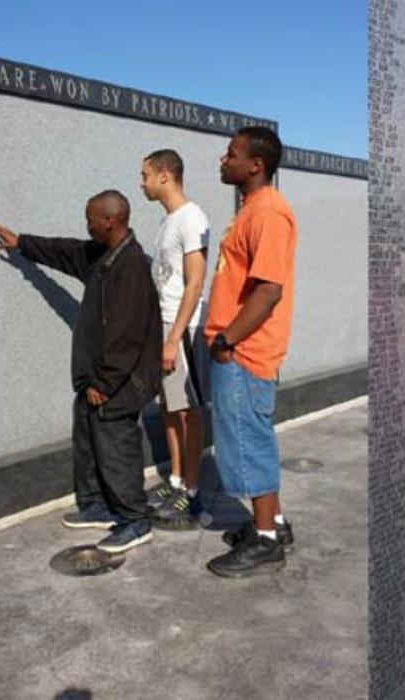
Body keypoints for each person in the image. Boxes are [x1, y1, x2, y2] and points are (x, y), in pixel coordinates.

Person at [0, 192, 163, 554]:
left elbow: (127, 335)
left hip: (119, 382)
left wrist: (105, 382)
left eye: (91, 219)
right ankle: (97, 506)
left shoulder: (130, 266)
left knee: (117, 449)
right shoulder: (103, 255)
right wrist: (23, 244)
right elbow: (66, 252)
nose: (86, 225)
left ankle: (135, 520)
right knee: (89, 441)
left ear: (110, 221)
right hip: (95, 380)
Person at [204, 125, 299, 578]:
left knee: (246, 440)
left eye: (231, 154)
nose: (224, 160)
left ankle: (263, 541)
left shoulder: (268, 213)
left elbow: (269, 291)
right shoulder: (251, 210)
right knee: (253, 436)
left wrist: (226, 340)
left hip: (243, 351)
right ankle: (273, 523)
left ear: (255, 165)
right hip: (239, 350)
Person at [136, 148, 211, 524]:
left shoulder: (191, 217)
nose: (142, 182)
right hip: (164, 324)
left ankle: (193, 491)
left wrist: (172, 338)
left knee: (188, 412)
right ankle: (178, 479)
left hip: (183, 327)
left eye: (145, 175)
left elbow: (195, 283)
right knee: (169, 408)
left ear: (165, 176)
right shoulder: (168, 221)